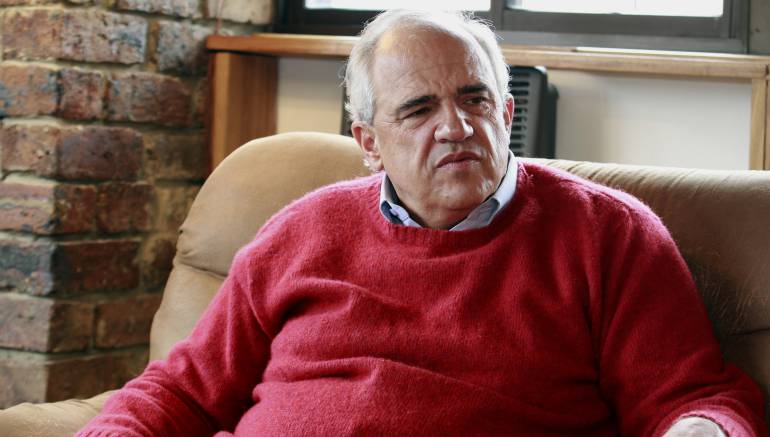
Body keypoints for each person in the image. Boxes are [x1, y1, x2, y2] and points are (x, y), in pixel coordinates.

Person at [78, 9, 766, 436]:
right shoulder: (299, 233)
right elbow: (181, 389)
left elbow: (693, 396)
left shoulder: (608, 235)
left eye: (475, 99)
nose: (456, 126)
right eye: (417, 110)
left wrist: (703, 430)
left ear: (506, 113)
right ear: (368, 141)